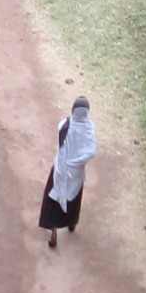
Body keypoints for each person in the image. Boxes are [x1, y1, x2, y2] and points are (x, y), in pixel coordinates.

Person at [39, 96, 96, 245]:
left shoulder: (64, 125)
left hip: (61, 169)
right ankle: (71, 223)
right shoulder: (89, 128)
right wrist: (77, 163)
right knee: (73, 198)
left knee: (54, 197)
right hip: (76, 174)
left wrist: (69, 162)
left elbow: (62, 147)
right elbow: (91, 151)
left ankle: (53, 230)